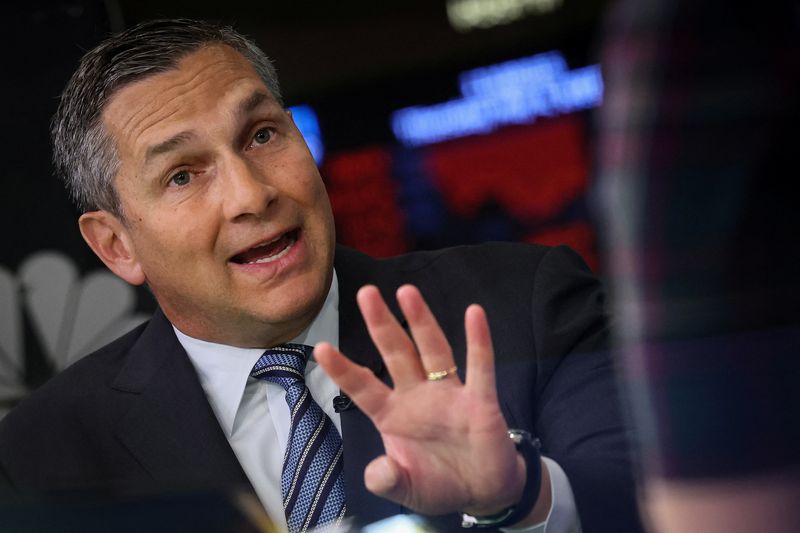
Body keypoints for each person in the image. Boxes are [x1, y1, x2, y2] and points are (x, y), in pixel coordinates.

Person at [0, 19, 641, 533]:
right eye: (182, 175)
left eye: (261, 135)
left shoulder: (526, 302)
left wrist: (520, 495)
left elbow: (658, 502)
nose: (250, 194)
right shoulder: (37, 456)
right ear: (116, 247)